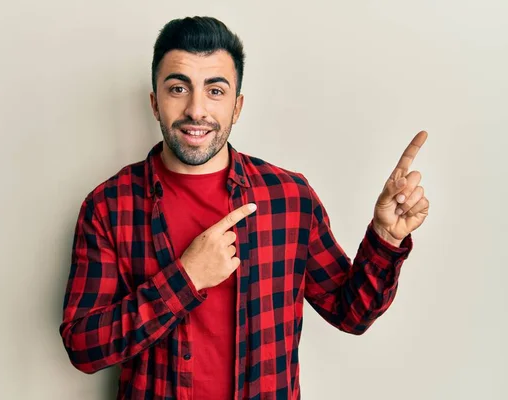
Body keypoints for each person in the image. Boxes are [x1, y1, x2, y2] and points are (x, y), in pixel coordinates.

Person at [59, 16, 429, 400]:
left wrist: (385, 238)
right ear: (154, 102)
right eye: (178, 88)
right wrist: (185, 280)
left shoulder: (290, 198)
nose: (196, 109)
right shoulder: (109, 206)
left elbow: (351, 314)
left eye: (215, 90)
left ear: (237, 107)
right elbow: (83, 347)